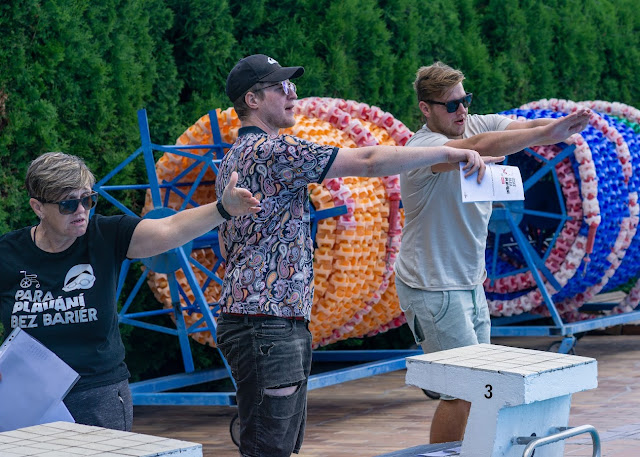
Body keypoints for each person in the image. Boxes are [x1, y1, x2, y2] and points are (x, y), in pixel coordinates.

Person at [214, 54, 504, 457]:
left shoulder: (234, 156)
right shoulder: (273, 151)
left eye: (291, 85)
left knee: (272, 446)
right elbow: (367, 160)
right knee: (269, 449)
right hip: (267, 323)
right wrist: (449, 152)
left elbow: (225, 243)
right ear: (253, 99)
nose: (292, 93)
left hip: (261, 319)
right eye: (280, 87)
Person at [393, 61, 591, 444]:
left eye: (465, 100)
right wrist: (547, 134)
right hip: (432, 286)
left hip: (469, 283)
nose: (462, 111)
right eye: (452, 105)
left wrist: (557, 126)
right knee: (461, 392)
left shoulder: (475, 123)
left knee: (483, 386)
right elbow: (479, 147)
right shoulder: (422, 148)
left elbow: (516, 129)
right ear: (426, 108)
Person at [0, 151, 260, 431]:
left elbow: (169, 228)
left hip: (98, 394)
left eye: (87, 200)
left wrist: (223, 209)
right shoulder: (8, 253)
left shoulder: (105, 235)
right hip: (28, 398)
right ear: (38, 207)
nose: (81, 211)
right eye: (68, 204)